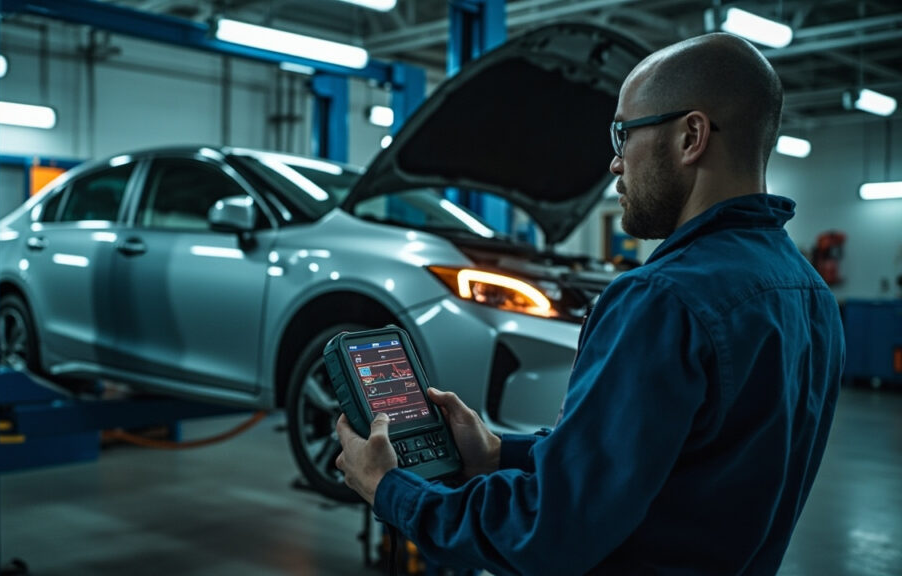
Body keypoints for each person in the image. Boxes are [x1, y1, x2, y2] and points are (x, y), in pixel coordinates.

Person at [335, 31, 845, 575]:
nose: (615, 164)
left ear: (690, 136)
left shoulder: (661, 300)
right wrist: (499, 453)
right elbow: (666, 465)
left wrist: (391, 488)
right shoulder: (811, 296)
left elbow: (544, 533)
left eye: (623, 134)